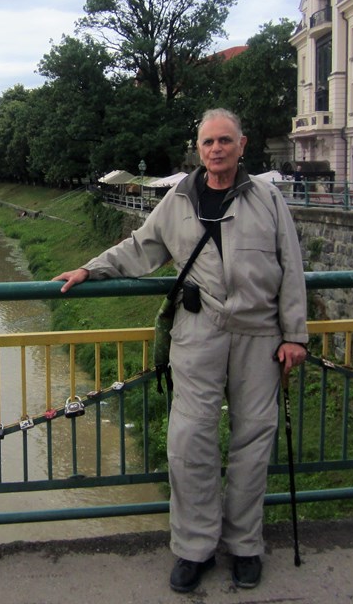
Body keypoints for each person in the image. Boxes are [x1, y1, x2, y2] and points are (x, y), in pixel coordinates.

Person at [53, 108, 308, 593]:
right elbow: (140, 246)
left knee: (254, 441)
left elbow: (291, 268)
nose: (217, 149)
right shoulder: (179, 199)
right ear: (200, 148)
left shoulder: (268, 199)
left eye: (225, 141)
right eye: (209, 142)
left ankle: (245, 545)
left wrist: (294, 335)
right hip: (199, 332)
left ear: (241, 144)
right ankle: (194, 548)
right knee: (190, 441)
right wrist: (90, 268)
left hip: (259, 335)